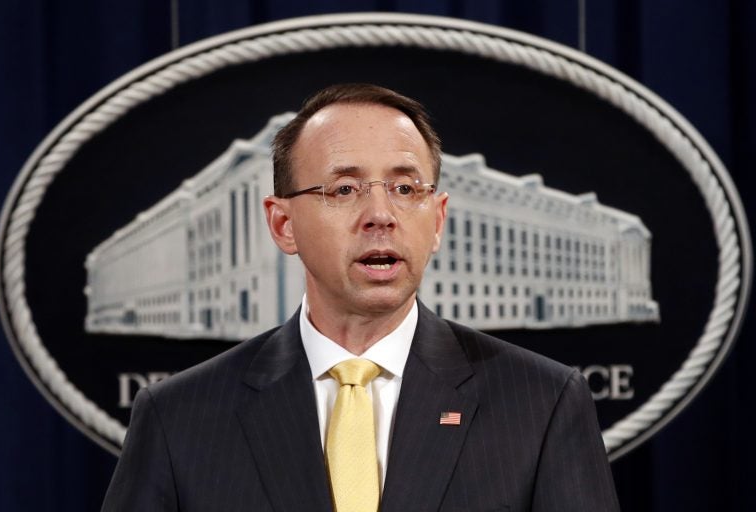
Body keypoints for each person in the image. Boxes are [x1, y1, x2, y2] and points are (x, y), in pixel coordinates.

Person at [101, 83, 620, 511]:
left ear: (436, 221)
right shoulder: (178, 418)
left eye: (405, 188)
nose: (381, 214)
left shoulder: (543, 404)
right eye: (344, 189)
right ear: (283, 224)